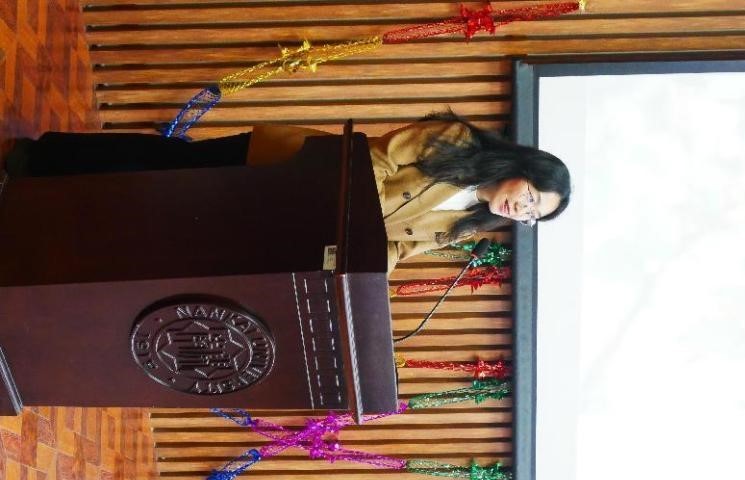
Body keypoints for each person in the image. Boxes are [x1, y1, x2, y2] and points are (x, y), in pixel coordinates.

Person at [5, 112, 571, 271]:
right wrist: (358, 223)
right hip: (287, 168)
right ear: (526, 169)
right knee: (168, 164)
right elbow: (375, 160)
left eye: (530, 216)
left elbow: (401, 248)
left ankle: (38, 205)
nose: (520, 210)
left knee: (166, 209)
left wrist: (368, 266)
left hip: (293, 223)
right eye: (531, 198)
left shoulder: (467, 224)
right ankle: (42, 158)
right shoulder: (458, 141)